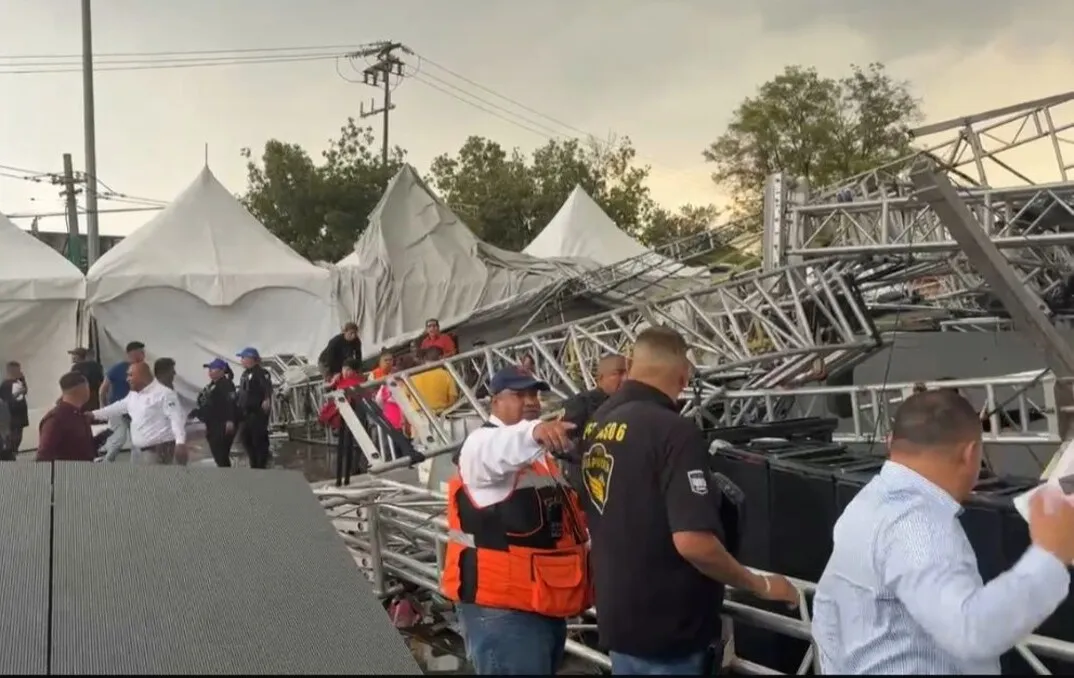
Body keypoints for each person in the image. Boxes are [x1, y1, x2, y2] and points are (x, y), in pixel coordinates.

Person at [579, 327, 798, 675]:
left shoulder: (597, 424)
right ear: (683, 376)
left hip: (619, 622)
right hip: (670, 635)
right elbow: (693, 542)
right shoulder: (672, 431)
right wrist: (761, 585)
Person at [812, 389, 1074, 674]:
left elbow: (826, 613)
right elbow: (970, 630)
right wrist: (1050, 554)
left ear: (891, 443)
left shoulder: (865, 505)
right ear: (971, 453)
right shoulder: (916, 524)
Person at [440, 366, 584, 675]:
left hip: (540, 603)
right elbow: (498, 446)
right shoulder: (481, 446)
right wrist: (534, 431)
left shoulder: (536, 456)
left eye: (534, 394)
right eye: (519, 395)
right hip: (503, 611)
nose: (531, 401)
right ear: (495, 402)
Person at [88, 361, 189, 465]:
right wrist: (93, 414)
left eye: (130, 375)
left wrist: (180, 442)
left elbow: (176, 418)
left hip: (158, 451)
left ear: (143, 376)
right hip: (139, 450)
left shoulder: (164, 394)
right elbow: (118, 407)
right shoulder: (134, 394)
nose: (127, 379)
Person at [560, 354, 627, 492]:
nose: (626, 378)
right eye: (618, 373)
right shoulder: (580, 404)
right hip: (590, 487)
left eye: (628, 373)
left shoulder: (634, 405)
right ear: (600, 378)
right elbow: (562, 444)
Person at [99, 341, 146, 462]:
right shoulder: (119, 368)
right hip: (118, 409)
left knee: (137, 440)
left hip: (134, 410)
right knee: (119, 438)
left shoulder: (143, 370)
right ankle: (106, 462)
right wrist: (103, 408)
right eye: (141, 352)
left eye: (143, 352)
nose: (143, 355)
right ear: (132, 354)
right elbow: (103, 390)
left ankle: (135, 468)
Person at [36, 372, 97, 462]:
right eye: (88, 387)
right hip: (67, 473)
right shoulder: (56, 419)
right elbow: (44, 455)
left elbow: (76, 445)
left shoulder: (78, 414)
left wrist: (98, 440)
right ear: (82, 389)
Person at [192, 358, 237, 468]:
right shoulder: (212, 385)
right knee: (217, 454)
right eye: (209, 370)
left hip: (222, 424)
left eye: (213, 369)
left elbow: (231, 403)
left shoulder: (226, 384)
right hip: (212, 424)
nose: (210, 372)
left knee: (221, 455)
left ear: (222, 371)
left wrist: (230, 420)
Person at [236, 347, 273, 469]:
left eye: (243, 358)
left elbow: (266, 387)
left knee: (258, 440)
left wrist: (267, 398)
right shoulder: (245, 374)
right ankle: (254, 463)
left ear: (251, 359)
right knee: (245, 439)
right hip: (245, 413)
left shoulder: (261, 373)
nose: (241, 361)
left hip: (257, 413)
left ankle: (261, 465)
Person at [409, 346, 459, 414]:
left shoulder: (412, 376)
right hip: (439, 415)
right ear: (441, 358)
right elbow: (453, 400)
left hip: (417, 417)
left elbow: (405, 399)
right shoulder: (446, 375)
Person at [0, 361, 28, 460]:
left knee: (12, 440)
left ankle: (11, 455)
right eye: (19, 370)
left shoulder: (7, 383)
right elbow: (15, 401)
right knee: (14, 440)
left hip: (12, 418)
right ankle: (11, 456)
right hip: (15, 418)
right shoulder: (12, 385)